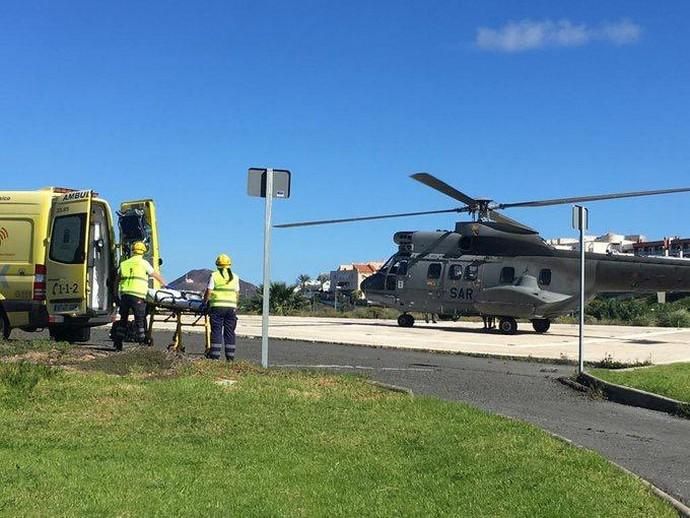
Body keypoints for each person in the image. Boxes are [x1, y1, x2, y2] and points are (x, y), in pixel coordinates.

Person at [113, 241, 167, 351]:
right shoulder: (144, 263)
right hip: (138, 296)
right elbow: (155, 275)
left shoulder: (124, 263)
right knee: (140, 320)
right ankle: (142, 344)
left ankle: (118, 343)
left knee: (123, 319)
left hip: (124, 295)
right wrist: (165, 284)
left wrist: (115, 295)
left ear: (133, 251)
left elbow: (116, 281)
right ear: (143, 251)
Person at [204, 253, 240, 361]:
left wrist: (204, 302)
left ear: (217, 264)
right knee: (230, 332)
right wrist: (234, 305)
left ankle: (215, 357)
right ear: (230, 264)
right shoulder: (235, 277)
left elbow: (209, 291)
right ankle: (230, 358)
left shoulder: (214, 275)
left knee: (216, 331)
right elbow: (237, 293)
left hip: (217, 307)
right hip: (231, 308)